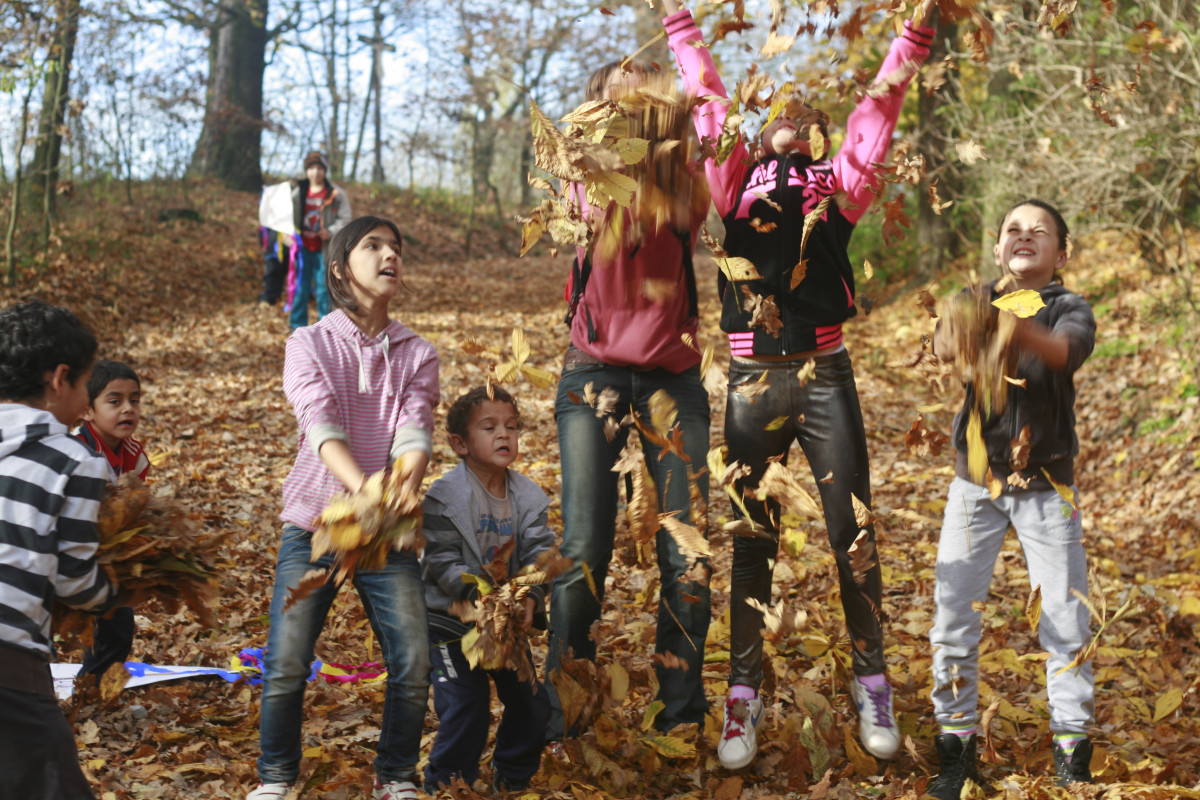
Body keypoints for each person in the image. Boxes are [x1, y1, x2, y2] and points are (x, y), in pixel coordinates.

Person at [663, 0, 935, 768]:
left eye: (804, 109)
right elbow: (710, 99)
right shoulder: (730, 181)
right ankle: (742, 699)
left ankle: (871, 680)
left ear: (818, 132)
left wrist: (910, 42)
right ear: (756, 126)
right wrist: (683, 28)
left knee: (854, 534)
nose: (788, 111)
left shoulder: (838, 183)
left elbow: (874, 117)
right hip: (750, 381)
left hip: (825, 378)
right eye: (773, 105)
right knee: (752, 539)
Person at [547, 60, 712, 736]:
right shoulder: (581, 175)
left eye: (649, 88)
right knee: (587, 543)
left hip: (673, 379)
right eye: (622, 88)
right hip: (592, 376)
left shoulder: (681, 181)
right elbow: (580, 204)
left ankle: (680, 714)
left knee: (687, 548)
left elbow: (679, 197)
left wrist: (672, 127)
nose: (638, 97)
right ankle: (564, 706)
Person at [248, 216, 439, 800]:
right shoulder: (307, 343)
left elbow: (414, 433)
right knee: (286, 662)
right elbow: (322, 425)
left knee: (412, 660)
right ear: (338, 268)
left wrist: (399, 490)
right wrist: (366, 490)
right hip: (314, 522)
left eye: (396, 249)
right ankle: (276, 777)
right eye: (373, 246)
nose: (390, 256)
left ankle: (396, 775)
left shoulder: (417, 352)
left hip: (385, 532)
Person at [926, 200, 1096, 797]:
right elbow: (944, 349)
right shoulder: (978, 295)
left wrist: (1008, 323)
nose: (1024, 237)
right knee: (953, 614)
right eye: (1012, 231)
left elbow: (1063, 354)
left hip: (1047, 486)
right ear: (998, 249)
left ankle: (1072, 753)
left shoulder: (1068, 308)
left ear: (1062, 254)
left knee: (1066, 619)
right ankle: (955, 747)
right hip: (975, 485)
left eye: (1039, 231)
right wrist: (964, 317)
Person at [0, 299, 119, 799]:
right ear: (61, 379)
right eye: (89, 382)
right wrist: (113, 593)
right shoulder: (75, 459)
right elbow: (73, 577)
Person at [421, 385, 553, 792]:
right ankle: (448, 783)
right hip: (449, 622)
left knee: (533, 702)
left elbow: (539, 552)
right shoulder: (444, 498)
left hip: (504, 624)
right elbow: (440, 560)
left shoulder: (528, 496)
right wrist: (476, 594)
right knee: (467, 705)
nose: (503, 435)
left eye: (511, 427)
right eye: (489, 427)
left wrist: (531, 596)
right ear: (460, 443)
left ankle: (512, 775)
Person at [74, 359, 150, 680]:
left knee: (117, 626)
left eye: (134, 400)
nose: (128, 409)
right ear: (87, 410)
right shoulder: (75, 452)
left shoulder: (135, 454)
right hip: (68, 550)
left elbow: (135, 502)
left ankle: (93, 685)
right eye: (114, 401)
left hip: (107, 555)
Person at [288, 151, 352, 331]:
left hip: (325, 250)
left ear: (324, 171)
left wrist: (331, 232)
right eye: (311, 168)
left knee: (324, 289)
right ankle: (297, 327)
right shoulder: (298, 193)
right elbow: (287, 217)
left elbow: (345, 218)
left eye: (319, 168)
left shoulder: (336, 193)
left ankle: (327, 328)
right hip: (302, 250)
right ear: (306, 171)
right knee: (300, 288)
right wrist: (289, 235)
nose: (315, 172)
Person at [258, 227, 292, 307]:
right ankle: (269, 299)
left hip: (290, 247)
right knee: (272, 273)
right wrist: (263, 241)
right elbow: (263, 226)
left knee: (291, 275)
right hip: (273, 246)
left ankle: (289, 300)